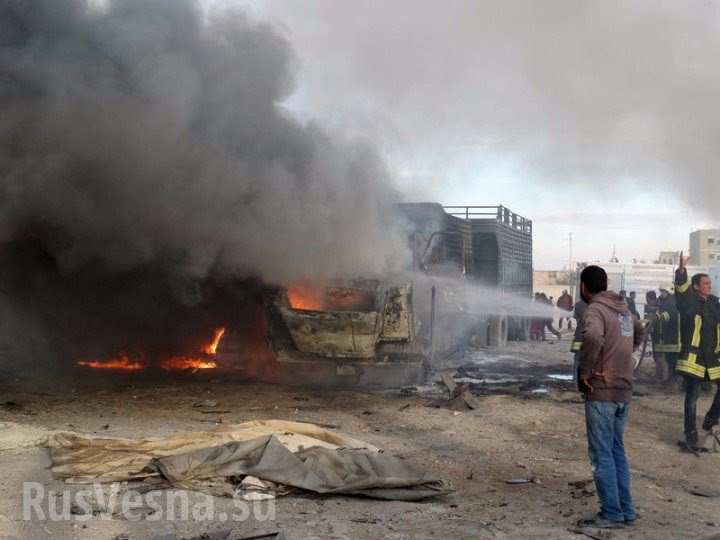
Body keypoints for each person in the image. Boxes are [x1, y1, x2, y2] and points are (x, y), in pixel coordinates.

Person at [577, 265, 644, 529]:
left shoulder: (595, 309)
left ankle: (611, 514)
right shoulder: (623, 310)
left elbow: (592, 336)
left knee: (602, 453)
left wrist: (586, 370)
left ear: (584, 286)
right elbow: (640, 331)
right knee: (617, 451)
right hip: (623, 391)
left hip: (602, 392)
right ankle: (625, 510)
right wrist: (628, 357)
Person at [674, 255, 720, 450]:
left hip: (713, 358)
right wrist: (682, 270)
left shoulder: (714, 303)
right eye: (705, 283)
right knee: (692, 397)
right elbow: (681, 288)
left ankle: (710, 419)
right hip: (694, 359)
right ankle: (690, 434)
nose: (709, 286)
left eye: (710, 283)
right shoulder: (688, 302)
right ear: (696, 286)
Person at [652, 285, 681, 384]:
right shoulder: (665, 301)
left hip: (672, 336)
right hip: (668, 335)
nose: (661, 294)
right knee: (669, 359)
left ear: (668, 291)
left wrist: (659, 317)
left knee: (672, 359)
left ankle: (673, 380)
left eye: (663, 291)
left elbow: (671, 314)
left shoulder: (671, 302)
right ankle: (670, 378)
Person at [570, 298, 588, 381]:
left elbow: (575, 317)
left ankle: (575, 376)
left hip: (578, 336)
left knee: (577, 356)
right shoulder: (595, 305)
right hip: (590, 336)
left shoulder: (578, 304)